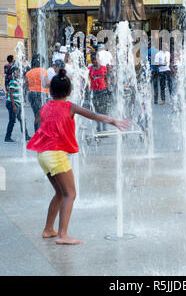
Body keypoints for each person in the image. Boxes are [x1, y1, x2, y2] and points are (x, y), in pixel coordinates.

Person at [26, 68, 129, 245]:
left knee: (60, 192)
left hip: (42, 154)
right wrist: (114, 121)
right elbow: (93, 115)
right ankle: (62, 235)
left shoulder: (45, 107)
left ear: (50, 91)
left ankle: (49, 229)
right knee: (70, 193)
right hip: (55, 155)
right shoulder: (70, 106)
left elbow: (39, 120)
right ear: (69, 92)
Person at [4, 66, 30, 143]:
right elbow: (11, 94)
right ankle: (7, 137)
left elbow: (20, 88)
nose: (19, 73)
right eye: (17, 72)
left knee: (22, 119)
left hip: (17, 103)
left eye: (19, 72)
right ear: (13, 73)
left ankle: (26, 135)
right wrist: (13, 106)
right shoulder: (12, 81)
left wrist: (26, 84)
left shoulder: (17, 81)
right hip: (13, 103)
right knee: (12, 120)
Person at [25, 54, 49, 132]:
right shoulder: (43, 71)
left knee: (36, 114)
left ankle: (37, 132)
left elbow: (26, 85)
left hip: (31, 94)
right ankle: (41, 133)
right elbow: (45, 84)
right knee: (43, 114)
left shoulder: (28, 73)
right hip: (41, 94)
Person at [88, 52, 109, 132]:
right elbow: (88, 79)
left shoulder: (103, 68)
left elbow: (106, 77)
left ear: (98, 59)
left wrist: (107, 85)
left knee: (103, 109)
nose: (94, 61)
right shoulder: (90, 69)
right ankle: (98, 126)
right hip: (94, 91)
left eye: (95, 59)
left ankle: (104, 127)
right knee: (96, 110)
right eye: (92, 60)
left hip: (102, 91)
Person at [148, 39, 159, 104]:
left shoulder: (149, 51)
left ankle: (148, 98)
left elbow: (145, 59)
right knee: (156, 85)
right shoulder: (158, 51)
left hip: (150, 70)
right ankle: (156, 100)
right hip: (156, 70)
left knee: (148, 84)